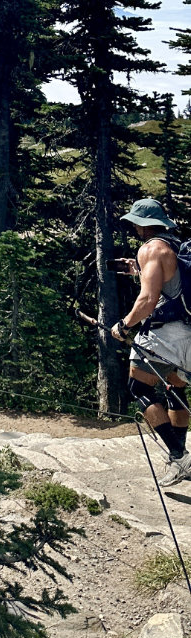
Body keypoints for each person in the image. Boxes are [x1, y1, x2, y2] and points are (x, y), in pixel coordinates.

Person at [113, 197, 191, 486]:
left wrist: (124, 325)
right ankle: (183, 459)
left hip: (164, 333)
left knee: (139, 386)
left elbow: (147, 300)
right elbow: (172, 285)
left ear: (142, 225)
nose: (133, 228)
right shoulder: (176, 246)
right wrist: (138, 271)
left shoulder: (151, 248)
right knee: (174, 387)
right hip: (188, 334)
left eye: (134, 223)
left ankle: (178, 456)